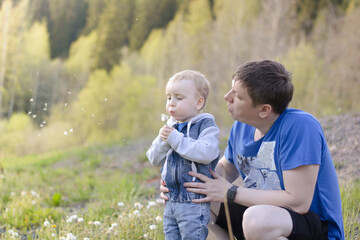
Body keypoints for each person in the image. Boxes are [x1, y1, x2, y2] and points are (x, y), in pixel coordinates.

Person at [160, 60, 344, 240]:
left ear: (264, 110)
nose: (227, 96)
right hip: (261, 215)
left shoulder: (300, 126)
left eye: (238, 96)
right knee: (195, 200)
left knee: (256, 220)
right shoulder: (241, 127)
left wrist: (231, 192)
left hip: (312, 226)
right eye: (231, 89)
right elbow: (223, 170)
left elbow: (298, 202)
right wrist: (181, 183)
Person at [147, 70, 220, 240]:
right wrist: (164, 140)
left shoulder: (206, 125)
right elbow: (154, 158)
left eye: (178, 98)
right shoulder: (170, 127)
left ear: (198, 103)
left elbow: (207, 153)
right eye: (169, 97)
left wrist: (175, 139)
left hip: (193, 202)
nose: (171, 103)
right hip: (170, 200)